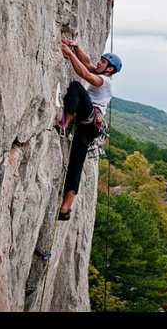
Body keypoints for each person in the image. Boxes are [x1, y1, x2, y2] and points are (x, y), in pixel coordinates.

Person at [56, 37, 122, 221]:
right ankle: (65, 208)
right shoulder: (102, 73)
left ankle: (64, 124)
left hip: (90, 119)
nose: (98, 62)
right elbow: (87, 63)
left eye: (103, 61)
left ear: (109, 69)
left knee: (77, 86)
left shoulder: (105, 81)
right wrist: (76, 47)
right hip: (90, 128)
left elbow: (85, 75)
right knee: (76, 165)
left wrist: (69, 54)